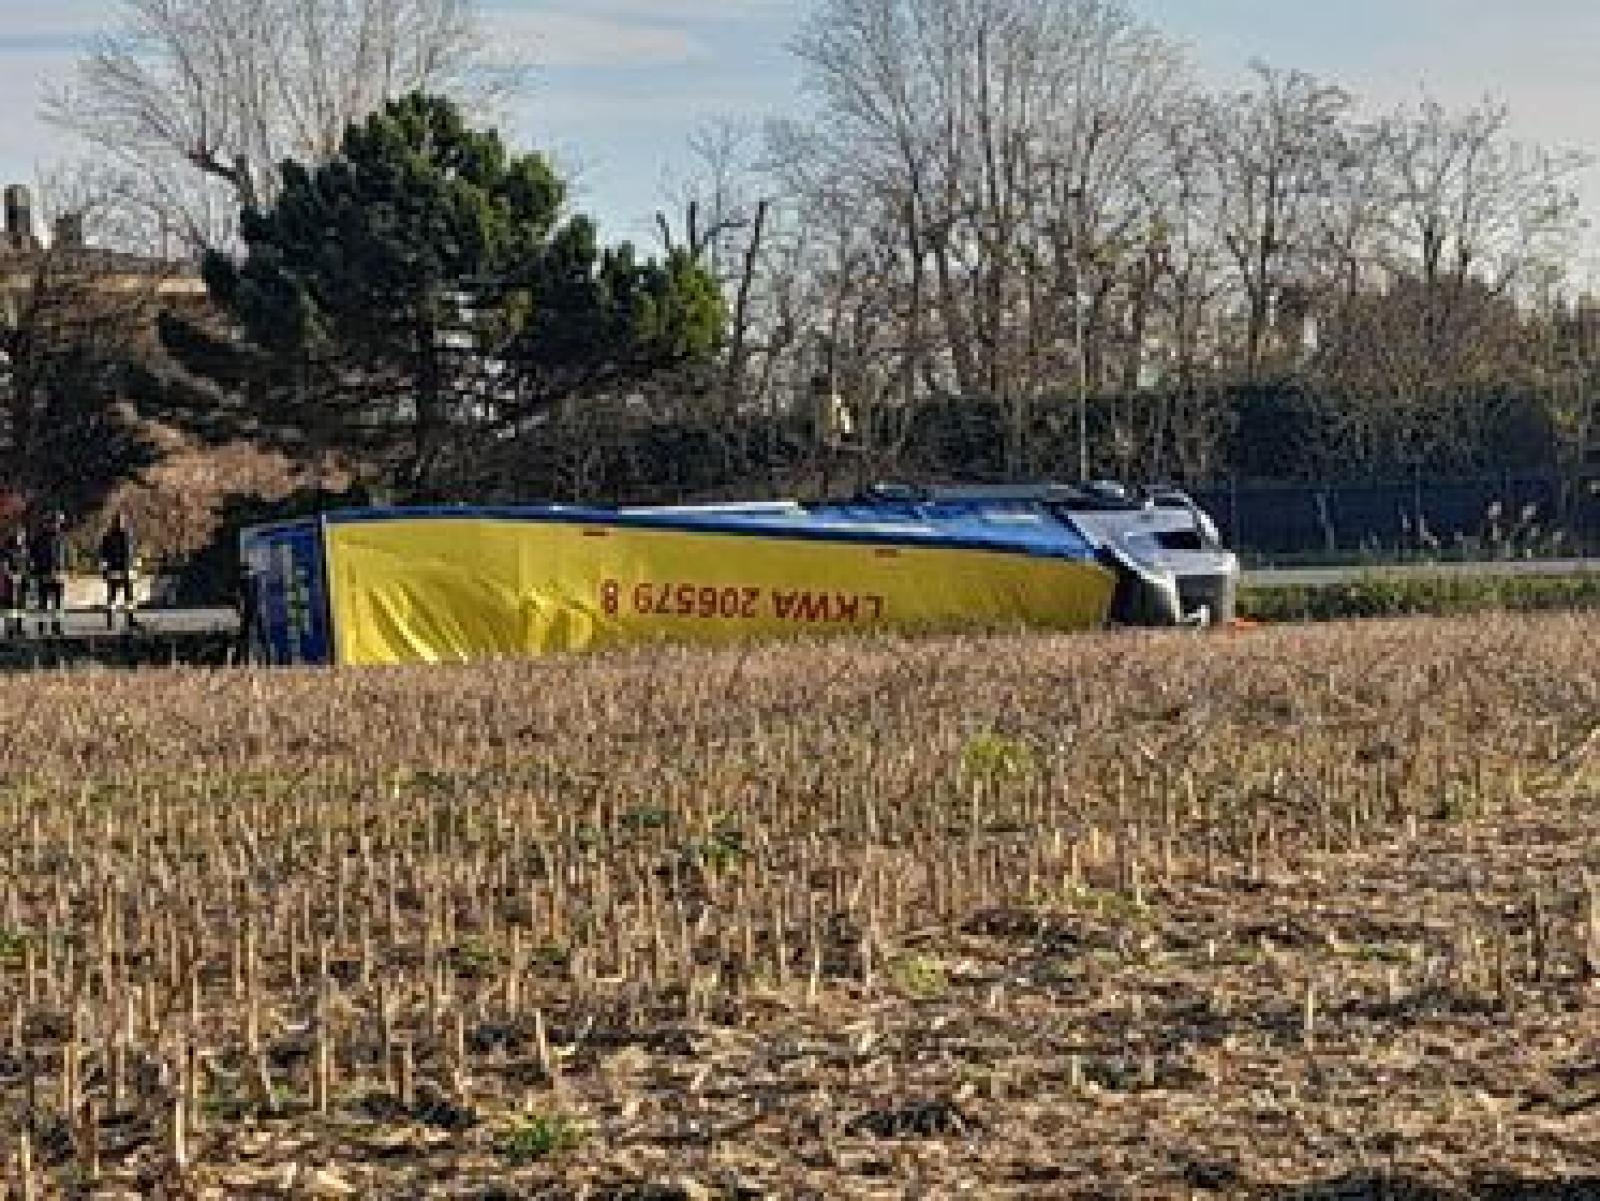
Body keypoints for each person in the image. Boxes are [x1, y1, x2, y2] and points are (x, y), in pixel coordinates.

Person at [29, 511, 68, 638]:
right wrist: (38, 572)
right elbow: (33, 557)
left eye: (58, 523)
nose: (56, 525)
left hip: (58, 575)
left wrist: (64, 571)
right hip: (44, 574)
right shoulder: (39, 539)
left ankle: (57, 627)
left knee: (58, 604)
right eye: (54, 523)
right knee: (43, 603)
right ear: (47, 524)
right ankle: (42, 628)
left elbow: (65, 556)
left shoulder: (62, 539)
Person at [99, 512, 138, 631]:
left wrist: (105, 570)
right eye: (120, 521)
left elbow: (103, 555)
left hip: (116, 570)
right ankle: (128, 620)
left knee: (115, 597)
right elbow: (130, 553)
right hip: (123, 570)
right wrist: (132, 567)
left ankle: (113, 622)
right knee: (126, 597)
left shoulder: (108, 536)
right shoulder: (127, 536)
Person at [0, 529, 26, 637]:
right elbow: (5, 567)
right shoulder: (6, 552)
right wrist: (13, 577)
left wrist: (21, 575)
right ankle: (9, 630)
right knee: (9, 605)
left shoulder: (22, 551)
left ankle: (18, 628)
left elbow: (25, 565)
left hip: (20, 582)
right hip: (9, 583)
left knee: (19, 605)